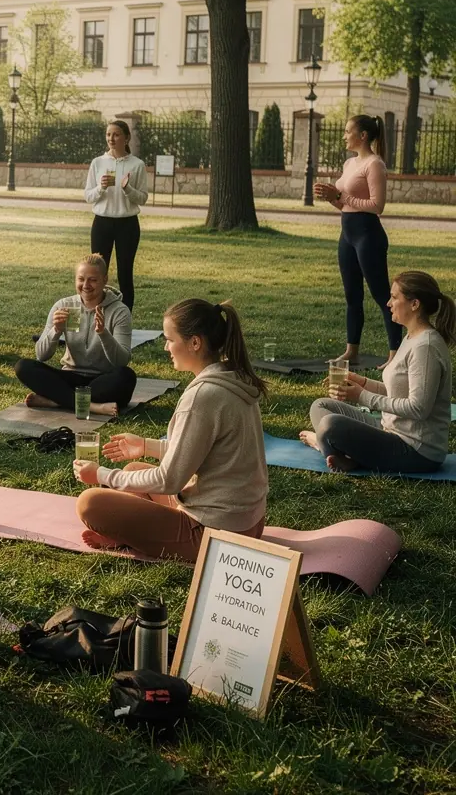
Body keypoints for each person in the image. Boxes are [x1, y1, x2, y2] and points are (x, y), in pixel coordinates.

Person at [74, 299, 268, 562]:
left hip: (216, 536)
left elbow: (169, 480)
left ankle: (129, 535)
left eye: (170, 339)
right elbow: (204, 450)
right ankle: (125, 535)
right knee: (134, 471)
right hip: (247, 524)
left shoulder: (203, 395)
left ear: (195, 342)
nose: (166, 346)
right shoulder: (234, 378)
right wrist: (146, 445)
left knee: (90, 503)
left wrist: (102, 474)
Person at [300, 271, 454, 474]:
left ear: (414, 304)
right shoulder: (412, 337)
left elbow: (419, 408)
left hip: (416, 450)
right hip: (391, 430)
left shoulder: (425, 347)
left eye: (394, 297)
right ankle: (344, 453)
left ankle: (323, 445)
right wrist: (362, 382)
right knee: (321, 406)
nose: (388, 303)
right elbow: (398, 391)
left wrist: (362, 396)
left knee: (330, 424)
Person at [314, 114, 401, 367]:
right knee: (352, 295)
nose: (344, 135)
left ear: (363, 136)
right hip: (347, 234)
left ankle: (394, 353)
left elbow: (377, 206)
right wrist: (331, 197)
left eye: (347, 131)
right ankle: (352, 351)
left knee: (382, 295)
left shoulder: (375, 164)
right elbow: (346, 205)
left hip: (368, 236)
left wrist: (341, 194)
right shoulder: (349, 163)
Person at [15, 254, 136, 417]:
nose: (86, 285)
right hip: (70, 377)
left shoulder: (119, 311)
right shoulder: (64, 305)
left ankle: (57, 400)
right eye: (81, 279)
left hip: (102, 380)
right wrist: (56, 331)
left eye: (92, 280)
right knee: (23, 367)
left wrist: (103, 333)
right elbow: (41, 355)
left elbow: (122, 360)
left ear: (104, 279)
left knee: (126, 376)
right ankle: (92, 407)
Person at [83, 120, 148, 312]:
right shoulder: (98, 163)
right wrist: (101, 187)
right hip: (102, 223)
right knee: (96, 272)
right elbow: (88, 196)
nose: (111, 138)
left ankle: (124, 318)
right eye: (108, 134)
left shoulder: (137, 165)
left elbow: (143, 198)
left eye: (116, 134)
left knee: (125, 272)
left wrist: (127, 189)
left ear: (126, 138)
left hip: (127, 225)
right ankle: (95, 315)